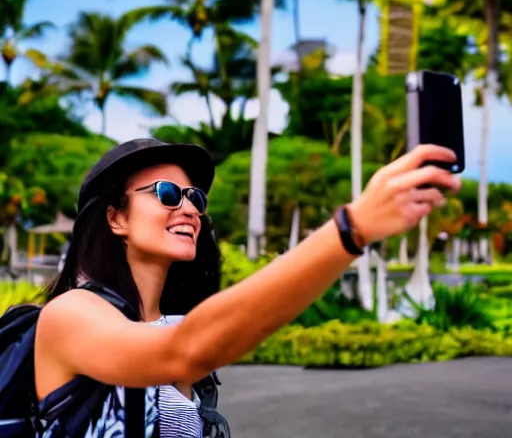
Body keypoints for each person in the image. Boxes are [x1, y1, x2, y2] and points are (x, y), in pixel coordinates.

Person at [34, 138, 460, 437]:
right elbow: (180, 353)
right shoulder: (70, 315)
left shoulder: (173, 322)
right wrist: (351, 230)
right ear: (116, 218)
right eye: (166, 193)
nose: (188, 207)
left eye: (195, 198)